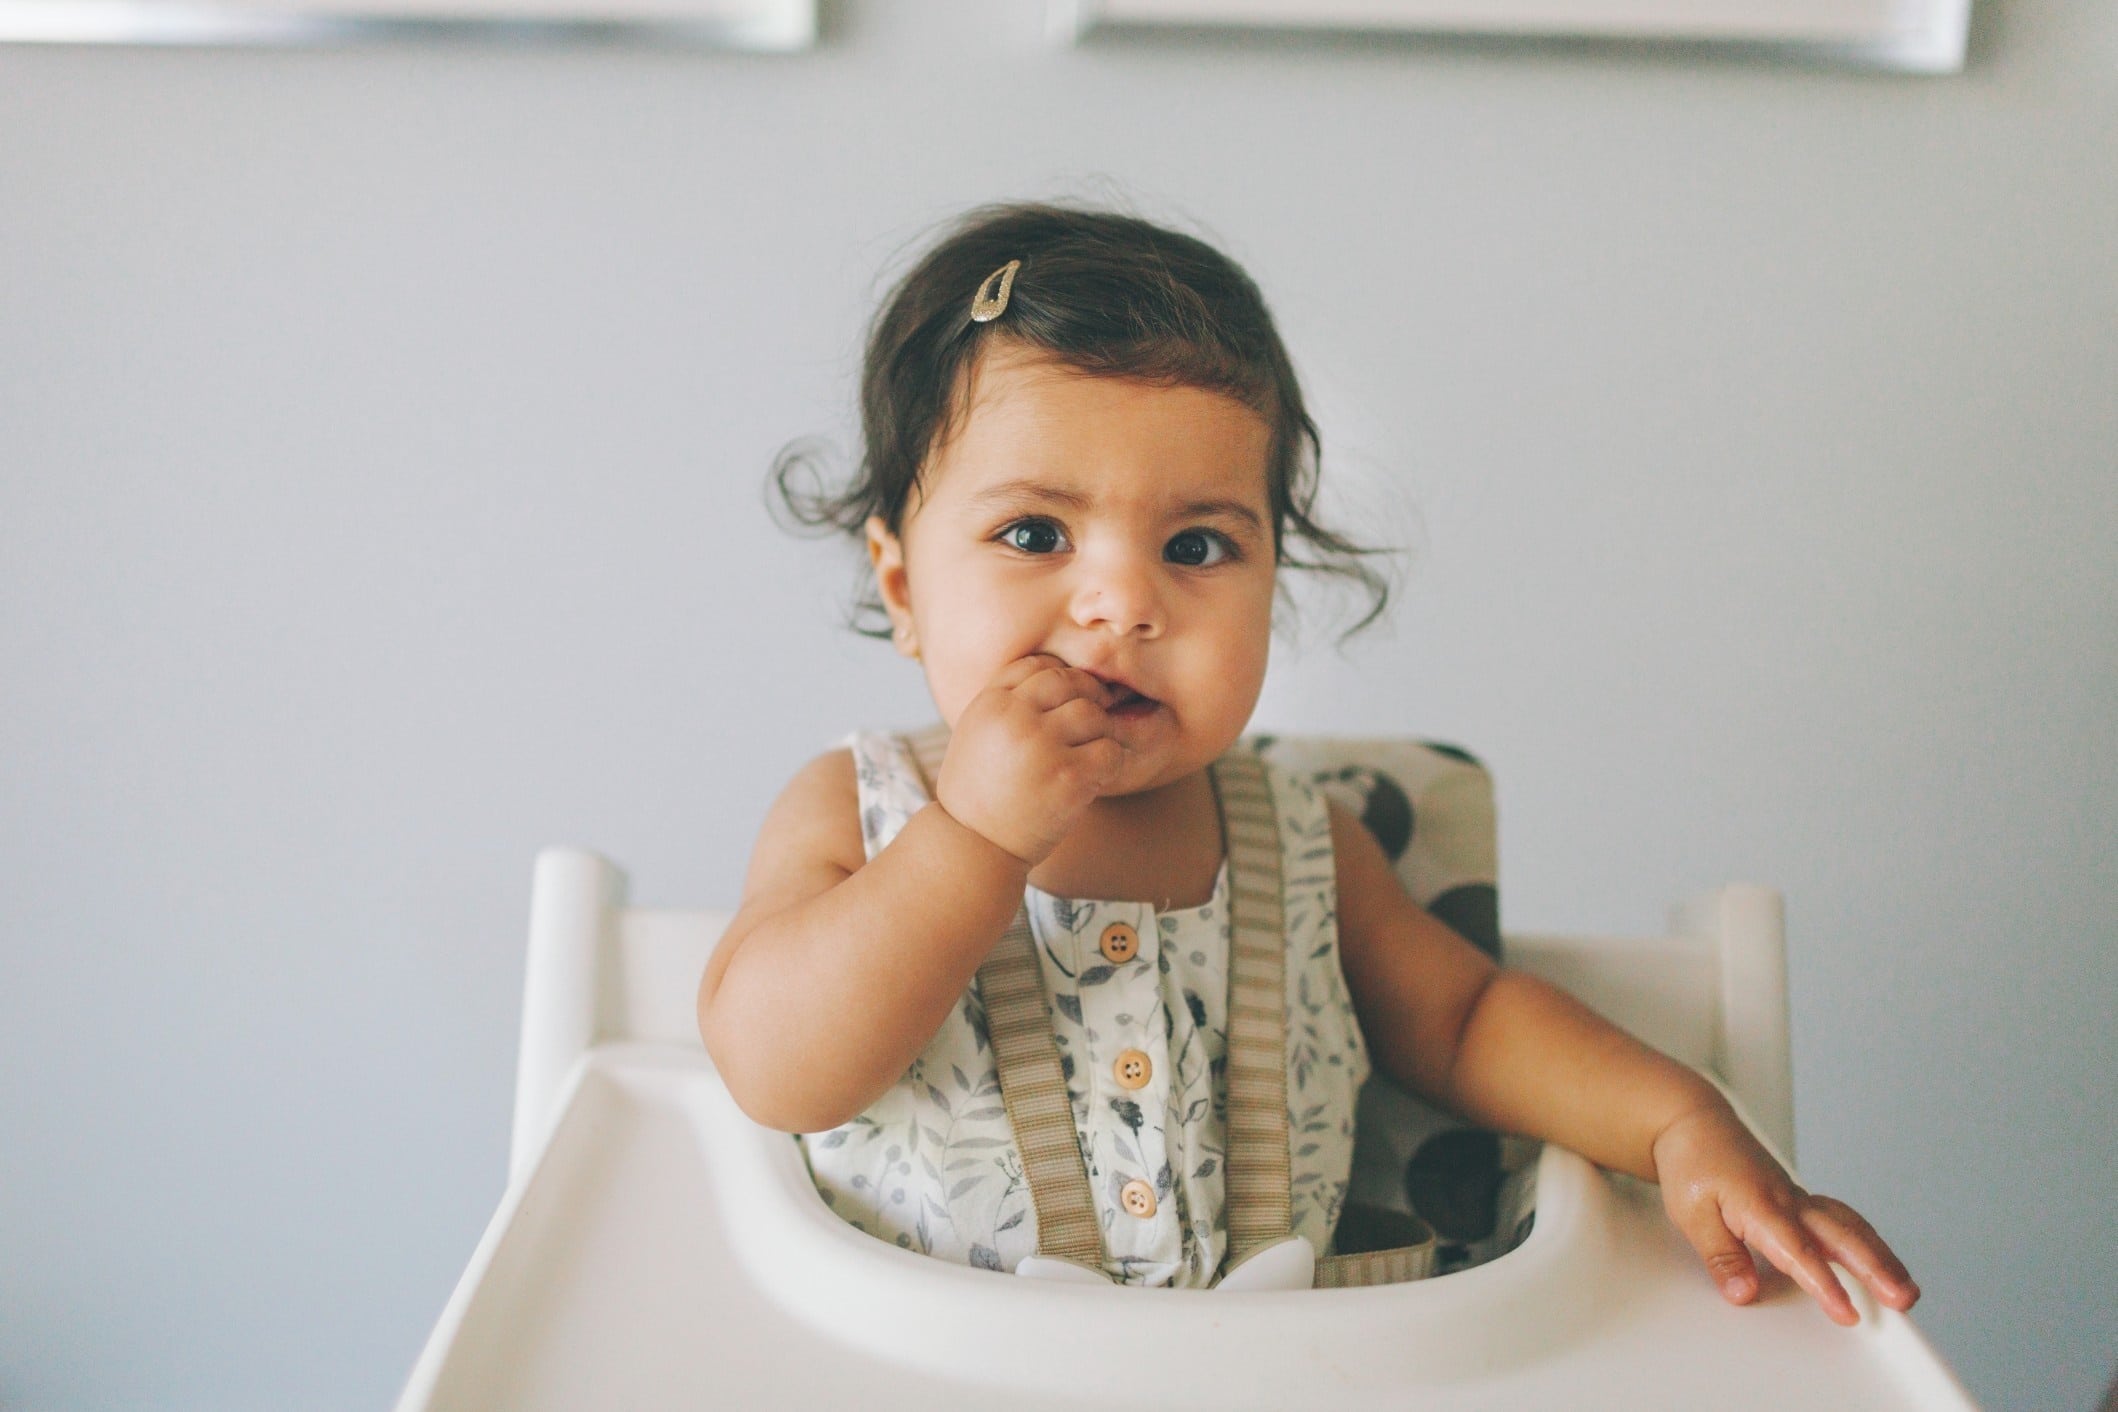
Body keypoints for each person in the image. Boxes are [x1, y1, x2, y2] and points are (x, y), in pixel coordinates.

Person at [696, 200, 1918, 1319]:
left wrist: (1676, 1121)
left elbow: (1468, 1018)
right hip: (914, 1361)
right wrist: (969, 836)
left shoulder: (1300, 833)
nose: (1123, 599)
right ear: (903, 586)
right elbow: (775, 1064)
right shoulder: (861, 807)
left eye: (1197, 543)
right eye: (1035, 532)